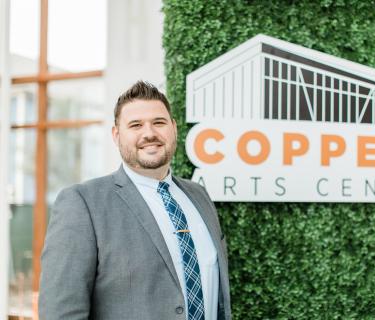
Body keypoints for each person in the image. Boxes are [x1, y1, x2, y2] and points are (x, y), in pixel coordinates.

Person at [39, 81, 231, 320]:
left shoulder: (199, 197)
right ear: (116, 135)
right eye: (136, 125)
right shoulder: (82, 203)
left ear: (174, 128)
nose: (149, 133)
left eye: (159, 123)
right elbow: (61, 312)